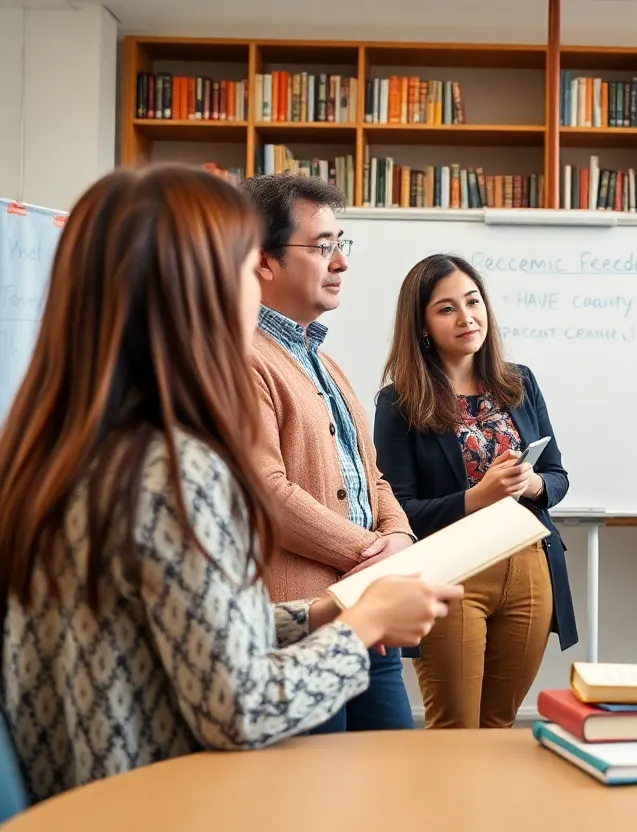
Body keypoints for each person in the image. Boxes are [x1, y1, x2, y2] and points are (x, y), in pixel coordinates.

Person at [0, 164, 462, 803]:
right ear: (198, 289)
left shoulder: (55, 450)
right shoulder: (175, 470)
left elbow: (187, 630)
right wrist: (361, 625)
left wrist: (331, 609)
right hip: (160, 807)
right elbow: (240, 705)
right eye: (247, 267)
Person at [240, 173, 420, 734]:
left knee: (392, 782)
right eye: (323, 247)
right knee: (319, 795)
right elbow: (267, 492)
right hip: (302, 625)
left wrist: (400, 539)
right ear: (264, 261)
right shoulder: (243, 359)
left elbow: (373, 477)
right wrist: (374, 550)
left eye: (342, 244)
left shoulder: (326, 362)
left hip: (364, 611)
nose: (340, 262)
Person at [373, 253, 577, 729]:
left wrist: (533, 483)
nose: (466, 317)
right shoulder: (400, 401)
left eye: (472, 301)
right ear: (421, 325)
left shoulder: (519, 382)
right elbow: (398, 511)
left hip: (530, 566)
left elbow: (558, 477)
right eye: (446, 308)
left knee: (500, 727)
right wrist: (477, 497)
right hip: (451, 574)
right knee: (455, 730)